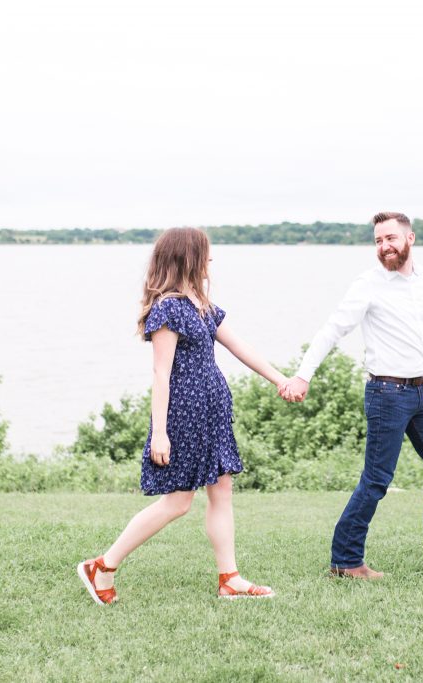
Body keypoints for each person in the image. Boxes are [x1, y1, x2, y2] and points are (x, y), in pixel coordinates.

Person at [79, 227, 287, 604]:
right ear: (188, 258)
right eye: (206, 254)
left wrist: (280, 380)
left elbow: (240, 347)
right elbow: (161, 373)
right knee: (178, 501)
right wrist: (159, 433)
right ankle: (102, 566)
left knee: (222, 491)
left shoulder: (202, 305)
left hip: (212, 415)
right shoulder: (169, 308)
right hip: (184, 417)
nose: (211, 261)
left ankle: (230, 578)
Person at [281, 212, 423, 579]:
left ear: (410, 238)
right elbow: (332, 330)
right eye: (378, 241)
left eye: (391, 238)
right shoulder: (368, 284)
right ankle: (345, 559)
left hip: (421, 394)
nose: (384, 247)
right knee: (377, 478)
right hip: (387, 393)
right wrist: (303, 375)